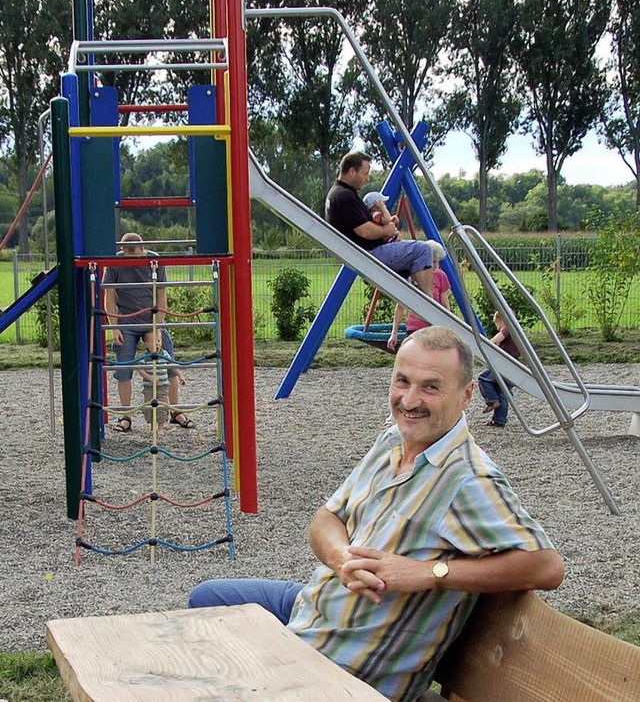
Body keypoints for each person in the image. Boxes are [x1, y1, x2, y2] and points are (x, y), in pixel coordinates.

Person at [188, 326, 564, 701]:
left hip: (343, 661)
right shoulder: (394, 441)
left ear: (466, 396)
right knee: (207, 600)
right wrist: (341, 559)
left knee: (211, 676)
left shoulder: (467, 480)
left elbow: (547, 567)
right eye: (402, 381)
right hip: (318, 606)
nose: (409, 400)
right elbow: (326, 519)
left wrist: (429, 573)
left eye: (430, 387)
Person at [104, 233, 194, 432]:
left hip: (151, 318)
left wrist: (159, 327)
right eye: (126, 253)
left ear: (142, 249)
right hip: (126, 320)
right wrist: (114, 326)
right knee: (123, 367)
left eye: (133, 253)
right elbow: (109, 294)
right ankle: (125, 416)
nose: (129, 257)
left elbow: (161, 295)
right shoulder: (115, 262)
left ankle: (175, 411)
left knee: (167, 360)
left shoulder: (154, 260)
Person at [325, 152, 434, 297]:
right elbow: (365, 231)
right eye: (365, 173)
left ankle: (414, 289)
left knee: (412, 258)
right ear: (352, 172)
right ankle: (430, 304)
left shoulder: (339, 194)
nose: (367, 178)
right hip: (370, 254)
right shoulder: (343, 196)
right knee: (423, 250)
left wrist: (387, 229)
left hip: (363, 253)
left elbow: (365, 224)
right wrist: (386, 230)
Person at [387, 239, 452, 351]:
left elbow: (446, 306)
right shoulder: (412, 277)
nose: (435, 266)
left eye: (437, 262)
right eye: (432, 262)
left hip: (434, 327)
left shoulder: (441, 276)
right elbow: (400, 306)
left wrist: (444, 327)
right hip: (415, 328)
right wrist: (394, 333)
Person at [477, 310, 521, 428]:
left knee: (483, 378)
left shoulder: (507, 329)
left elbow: (499, 338)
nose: (497, 328)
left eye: (497, 324)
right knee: (503, 391)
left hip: (505, 365)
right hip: (513, 365)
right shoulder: (516, 331)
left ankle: (492, 400)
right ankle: (499, 420)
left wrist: (488, 342)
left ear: (502, 320)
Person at [138, 331, 174, 436]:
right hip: (149, 387)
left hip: (162, 387)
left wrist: (180, 376)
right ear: (146, 344)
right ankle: (152, 427)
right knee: (149, 407)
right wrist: (149, 378)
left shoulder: (164, 354)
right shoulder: (144, 357)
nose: (157, 344)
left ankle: (161, 427)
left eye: (159, 341)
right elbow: (140, 370)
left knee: (162, 407)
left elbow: (172, 365)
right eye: (153, 342)